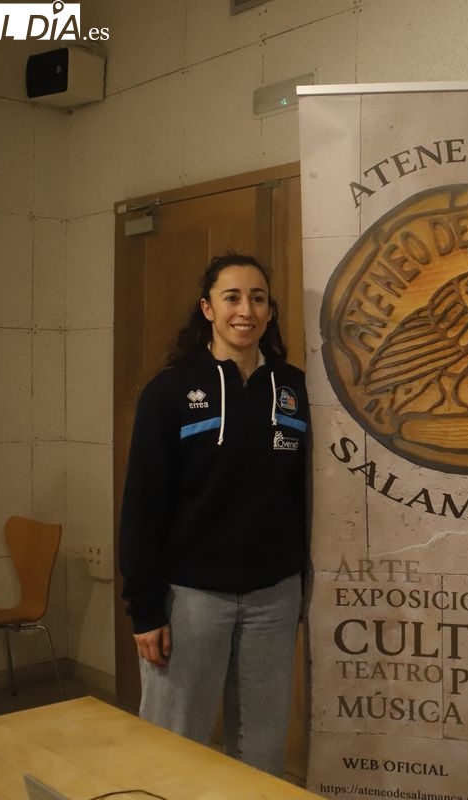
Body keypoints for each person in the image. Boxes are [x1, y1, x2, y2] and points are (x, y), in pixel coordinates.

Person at [119, 253, 309, 775]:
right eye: (231, 297)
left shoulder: (293, 389)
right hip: (192, 598)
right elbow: (142, 505)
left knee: (263, 749)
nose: (245, 309)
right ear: (207, 308)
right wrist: (145, 607)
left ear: (270, 312)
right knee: (173, 745)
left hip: (274, 597)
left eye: (258, 298)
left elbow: (303, 496)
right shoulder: (170, 391)